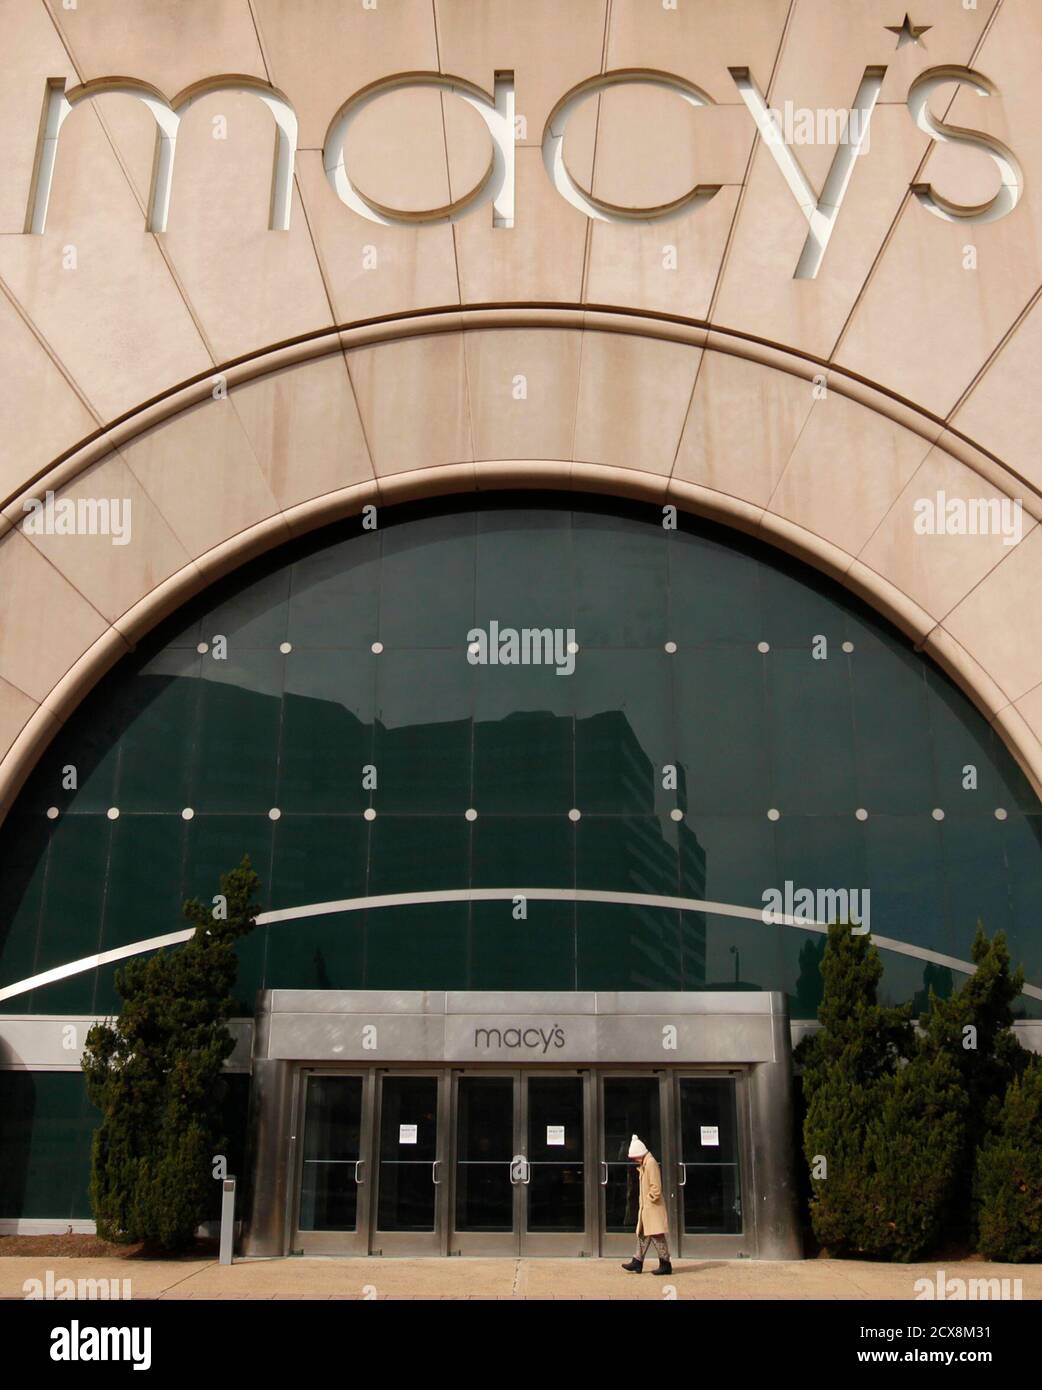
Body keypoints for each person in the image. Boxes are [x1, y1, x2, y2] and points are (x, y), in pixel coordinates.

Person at [620, 1134, 672, 1275]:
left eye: (635, 1157)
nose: (635, 1160)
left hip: (652, 1207)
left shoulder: (651, 1164)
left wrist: (649, 1199)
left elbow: (656, 1187)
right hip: (648, 1208)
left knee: (656, 1236)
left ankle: (665, 1263)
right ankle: (637, 1261)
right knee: (644, 1234)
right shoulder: (645, 1164)